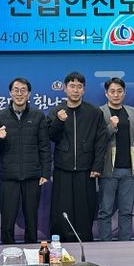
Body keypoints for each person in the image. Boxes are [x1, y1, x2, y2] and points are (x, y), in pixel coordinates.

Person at [0, 78, 51, 244]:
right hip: (9, 176)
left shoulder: (38, 116)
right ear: (10, 93)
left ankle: (31, 250)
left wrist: (45, 172)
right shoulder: (0, 117)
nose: (19, 93)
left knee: (31, 218)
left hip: (32, 176)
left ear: (29, 94)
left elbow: (44, 146)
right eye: (16, 90)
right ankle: (7, 250)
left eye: (23, 90)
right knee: (7, 219)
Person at [47, 72, 107, 242]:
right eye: (72, 86)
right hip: (62, 169)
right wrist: (59, 121)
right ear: (65, 89)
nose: (75, 90)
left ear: (84, 90)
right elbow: (51, 136)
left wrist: (97, 166)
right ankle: (60, 245)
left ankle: (85, 243)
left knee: (84, 210)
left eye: (79, 87)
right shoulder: (56, 111)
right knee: (61, 211)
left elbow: (101, 141)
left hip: (86, 170)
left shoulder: (94, 112)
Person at [97, 77, 134, 241]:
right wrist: (112, 126)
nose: (116, 95)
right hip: (108, 169)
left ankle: (126, 245)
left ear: (124, 93)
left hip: (129, 169)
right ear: (106, 93)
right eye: (112, 91)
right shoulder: (100, 112)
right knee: (105, 211)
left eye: (119, 91)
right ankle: (105, 244)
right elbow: (98, 139)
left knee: (126, 211)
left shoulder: (132, 112)